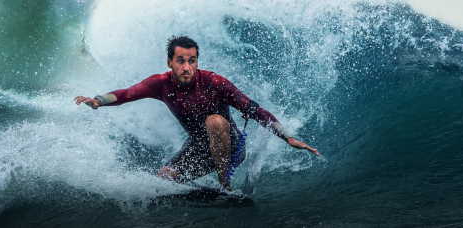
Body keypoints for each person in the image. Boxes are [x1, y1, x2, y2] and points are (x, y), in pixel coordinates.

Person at [75, 36, 319, 190]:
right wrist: (98, 100)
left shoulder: (215, 82)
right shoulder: (160, 84)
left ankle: (225, 182)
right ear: (169, 62)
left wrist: (287, 137)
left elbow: (253, 109)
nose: (187, 67)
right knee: (164, 178)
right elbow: (127, 93)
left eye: (192, 61)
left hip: (231, 146)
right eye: (181, 60)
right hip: (199, 147)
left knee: (214, 121)